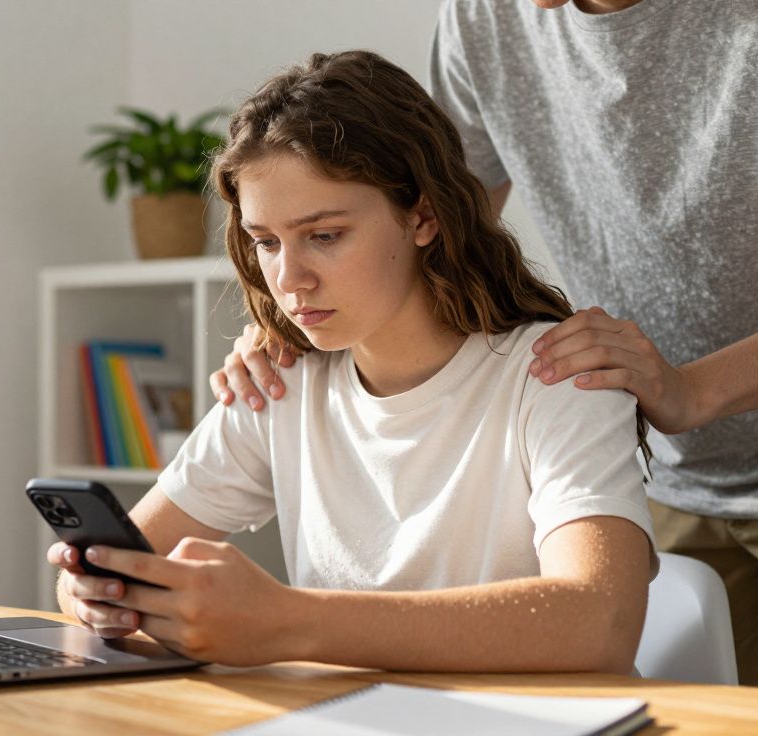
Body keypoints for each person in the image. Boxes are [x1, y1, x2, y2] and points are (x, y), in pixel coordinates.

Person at [212, 0, 758, 692]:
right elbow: (431, 221)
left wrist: (695, 390)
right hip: (667, 467)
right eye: (265, 242)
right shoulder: (485, 19)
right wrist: (303, 312)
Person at [48, 50, 658, 673]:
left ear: (422, 215)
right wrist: (92, 591)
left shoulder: (558, 375)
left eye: (325, 235)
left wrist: (289, 621)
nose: (290, 279)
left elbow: (598, 621)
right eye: (266, 242)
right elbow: (109, 565)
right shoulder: (279, 381)